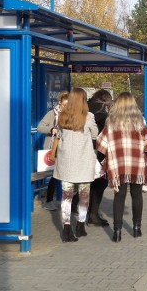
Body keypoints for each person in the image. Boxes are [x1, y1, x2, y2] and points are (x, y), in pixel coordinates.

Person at [96, 92, 147, 242]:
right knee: (137, 195)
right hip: (136, 165)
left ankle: (117, 231)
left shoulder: (111, 122)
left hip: (118, 165)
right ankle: (137, 228)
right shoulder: (140, 122)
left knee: (119, 197)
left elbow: (100, 144)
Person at [54, 88, 99, 242]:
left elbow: (59, 134)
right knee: (84, 195)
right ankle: (80, 225)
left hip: (66, 162)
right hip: (83, 162)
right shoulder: (89, 117)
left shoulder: (62, 116)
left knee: (66, 197)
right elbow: (94, 135)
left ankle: (66, 229)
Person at [36, 91, 69, 211]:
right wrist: (51, 129)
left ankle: (62, 199)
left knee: (62, 175)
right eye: (64, 105)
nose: (66, 107)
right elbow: (40, 127)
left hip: (65, 148)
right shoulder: (52, 114)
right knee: (55, 176)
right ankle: (49, 200)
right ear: (60, 102)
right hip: (53, 148)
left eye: (68, 105)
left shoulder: (71, 115)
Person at [85, 89, 113, 227]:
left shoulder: (86, 105)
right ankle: (93, 214)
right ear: (104, 99)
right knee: (99, 183)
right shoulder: (101, 111)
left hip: (84, 151)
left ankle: (81, 212)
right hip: (98, 151)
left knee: (84, 182)